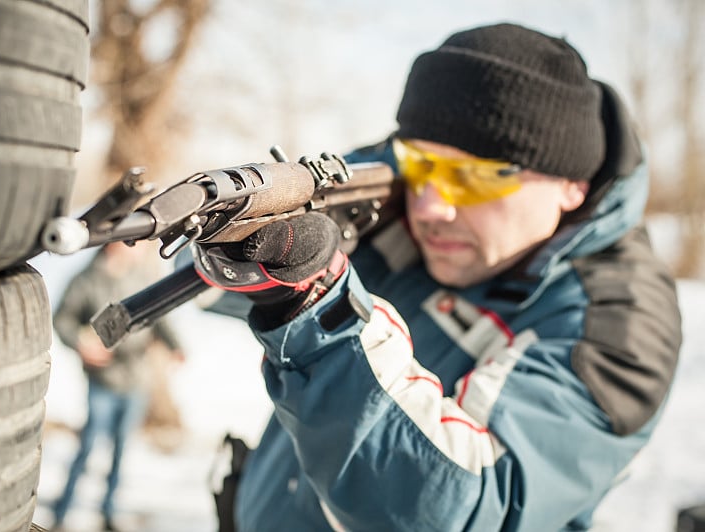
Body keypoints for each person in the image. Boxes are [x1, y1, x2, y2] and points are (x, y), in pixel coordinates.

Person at [194, 23, 683, 531]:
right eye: (421, 166)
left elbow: (465, 509)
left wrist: (317, 308)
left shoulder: (620, 322)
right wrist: (268, 218)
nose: (430, 208)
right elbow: (215, 292)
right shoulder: (399, 216)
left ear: (571, 186)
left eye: (472, 178)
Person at [51, 242, 183, 531]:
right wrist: (80, 344)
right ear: (113, 244)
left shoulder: (141, 278)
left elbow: (158, 317)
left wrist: (176, 347)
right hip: (102, 382)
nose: (139, 248)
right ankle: (62, 511)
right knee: (88, 447)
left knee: (121, 450)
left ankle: (108, 512)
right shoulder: (86, 279)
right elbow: (62, 320)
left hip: (136, 380)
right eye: (132, 242)